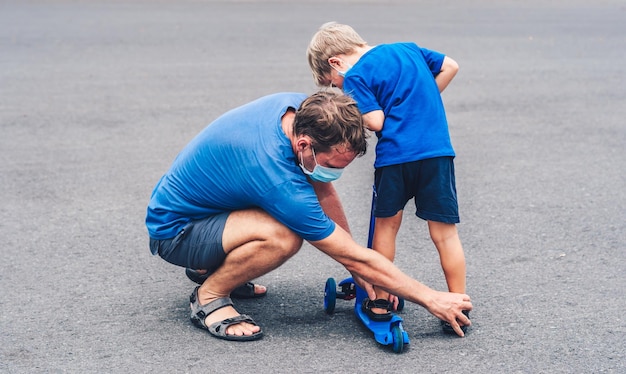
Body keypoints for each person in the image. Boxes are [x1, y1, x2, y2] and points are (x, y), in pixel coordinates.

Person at [146, 91, 472, 342]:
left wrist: (358, 270)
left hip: (211, 210)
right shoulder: (277, 178)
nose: (334, 176)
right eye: (332, 166)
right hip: (176, 233)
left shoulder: (299, 111)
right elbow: (346, 251)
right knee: (282, 237)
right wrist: (431, 299)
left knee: (295, 216)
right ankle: (210, 295)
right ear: (304, 144)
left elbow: (323, 190)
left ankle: (214, 265)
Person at [307, 22, 470, 333]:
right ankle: (459, 303)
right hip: (438, 153)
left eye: (335, 85)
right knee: (445, 234)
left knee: (386, 228)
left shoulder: (356, 74)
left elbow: (376, 120)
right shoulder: (409, 49)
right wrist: (421, 101)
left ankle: (380, 300)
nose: (341, 90)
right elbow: (451, 66)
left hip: (397, 158)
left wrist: (358, 110)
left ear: (336, 62)